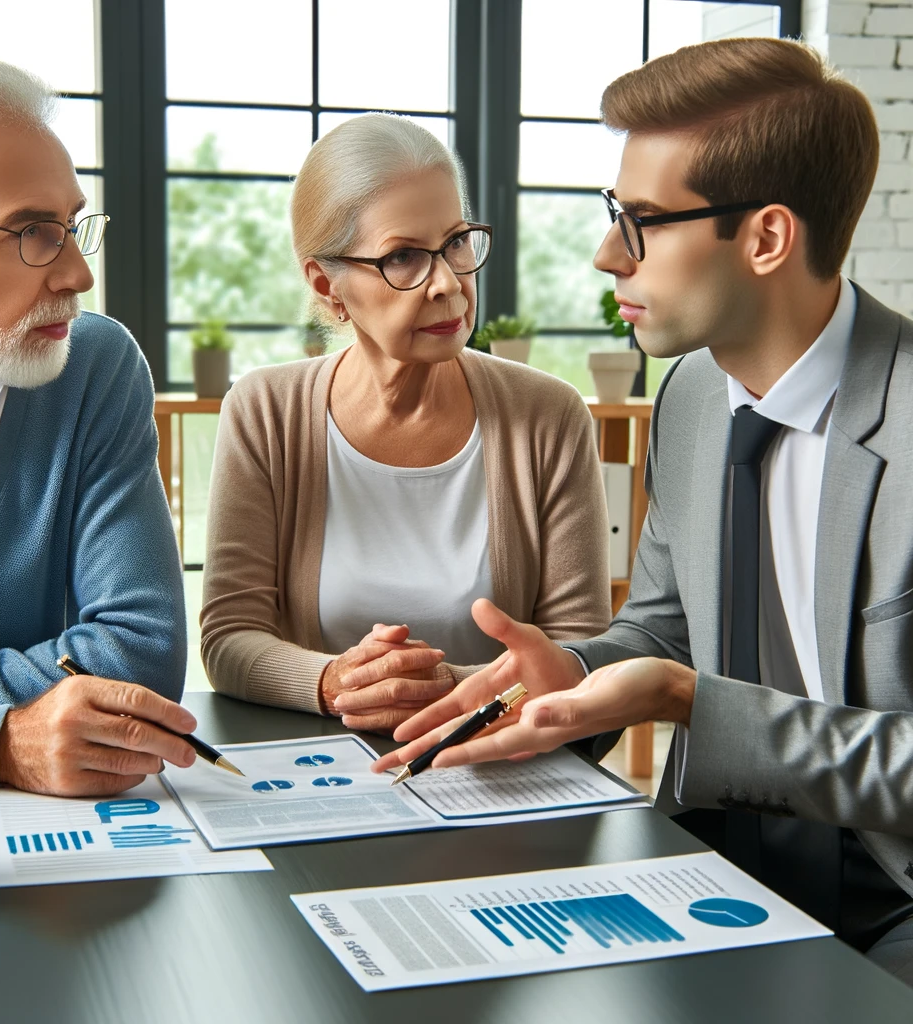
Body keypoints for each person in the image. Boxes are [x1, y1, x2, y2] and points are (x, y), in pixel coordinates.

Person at [375, 38, 913, 984]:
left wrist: (686, 702)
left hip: (891, 899)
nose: (605, 252)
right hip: (704, 863)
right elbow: (662, 630)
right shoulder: (696, 395)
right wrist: (571, 670)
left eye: (643, 221)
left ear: (766, 238)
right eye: (611, 214)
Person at [201, 113, 611, 734]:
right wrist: (335, 682)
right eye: (402, 257)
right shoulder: (265, 411)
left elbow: (582, 659)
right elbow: (229, 639)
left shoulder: (548, 418)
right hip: (322, 778)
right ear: (327, 285)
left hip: (500, 771)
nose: (448, 283)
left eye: (455, 243)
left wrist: (449, 691)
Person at [0, 54, 196, 796]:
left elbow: (141, 654)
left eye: (71, 227)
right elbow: (74, 693)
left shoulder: (94, 365)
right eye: (32, 232)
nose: (77, 276)